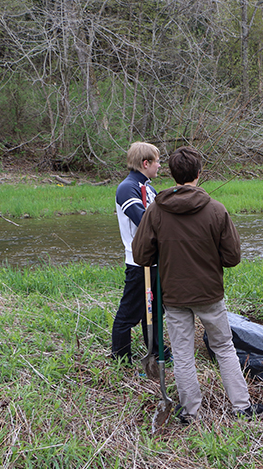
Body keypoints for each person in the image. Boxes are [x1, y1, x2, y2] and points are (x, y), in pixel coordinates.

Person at [132, 146, 263, 424]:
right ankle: (242, 407)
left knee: (182, 353)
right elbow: (232, 257)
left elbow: (141, 255)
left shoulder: (155, 211)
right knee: (224, 348)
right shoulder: (216, 210)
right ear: (199, 174)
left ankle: (190, 413)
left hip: (174, 294)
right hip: (209, 293)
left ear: (172, 174)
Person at [112, 141, 170, 364]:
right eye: (157, 162)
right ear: (146, 163)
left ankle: (157, 351)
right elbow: (145, 221)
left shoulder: (150, 188)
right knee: (129, 313)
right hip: (138, 261)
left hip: (156, 261)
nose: (159, 166)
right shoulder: (127, 188)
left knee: (156, 310)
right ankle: (121, 357)